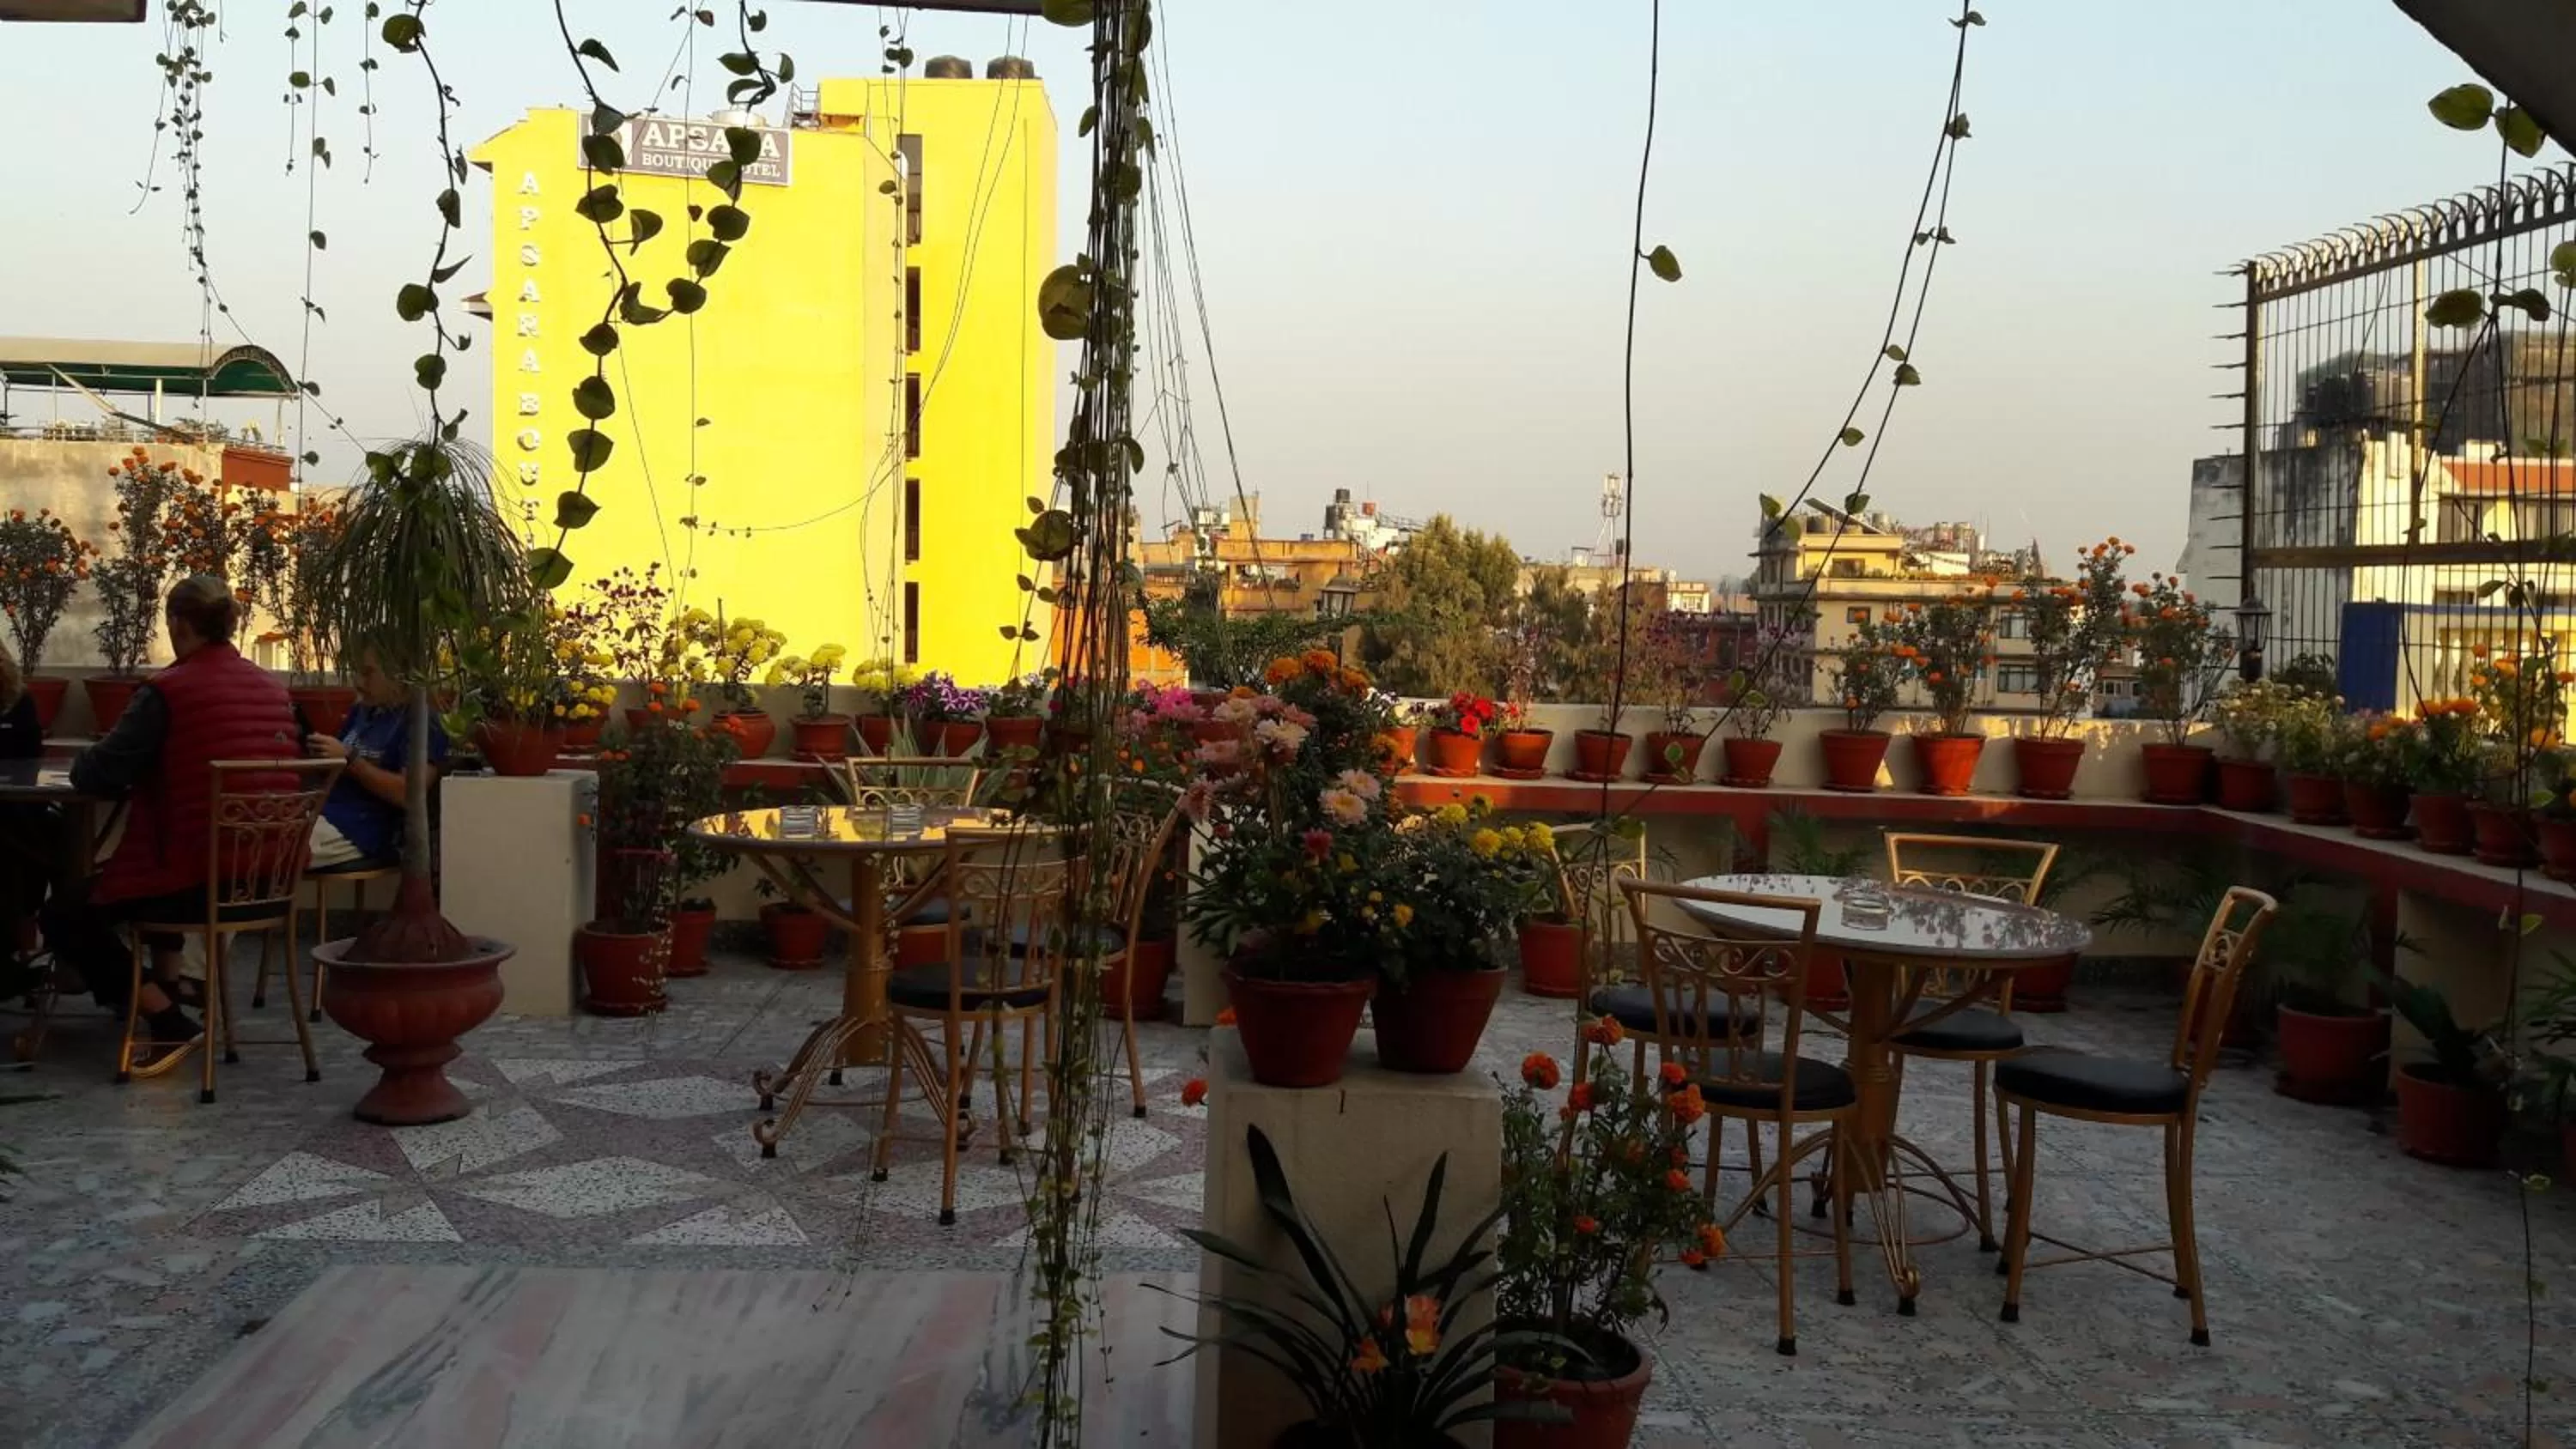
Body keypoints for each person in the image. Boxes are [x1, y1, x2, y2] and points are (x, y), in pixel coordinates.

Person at [39, 574, 300, 1070]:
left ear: (177, 624)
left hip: (198, 878)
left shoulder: (168, 691)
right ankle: (167, 987)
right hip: (267, 879)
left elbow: (98, 773)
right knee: (161, 862)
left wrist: (91, 755)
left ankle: (167, 1020)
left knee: (65, 914)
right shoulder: (272, 689)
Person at [304, 653, 446, 868]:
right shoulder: (363, 711)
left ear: (398, 674)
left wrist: (350, 759)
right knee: (258, 835)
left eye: (368, 673)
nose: (359, 683)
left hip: (362, 829)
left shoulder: (422, 722)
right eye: (356, 672)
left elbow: (408, 794)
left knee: (271, 850)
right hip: (327, 814)